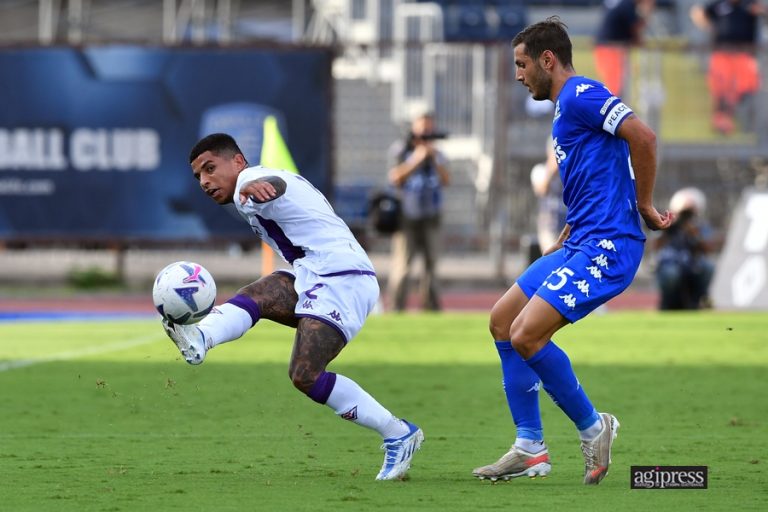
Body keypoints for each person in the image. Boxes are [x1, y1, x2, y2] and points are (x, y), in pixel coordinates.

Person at [472, 17, 673, 485]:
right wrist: (567, 232)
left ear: (547, 60)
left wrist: (643, 204)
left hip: (608, 245)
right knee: (502, 320)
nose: (518, 75)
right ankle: (530, 448)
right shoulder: (566, 108)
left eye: (522, 65)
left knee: (526, 335)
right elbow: (595, 176)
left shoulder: (581, 94)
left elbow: (643, 137)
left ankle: (593, 427)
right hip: (579, 238)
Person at [162, 133, 424, 481]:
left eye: (210, 169)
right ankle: (200, 338)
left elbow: (273, 185)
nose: (205, 181)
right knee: (260, 292)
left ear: (238, 162)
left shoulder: (253, 183)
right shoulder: (250, 189)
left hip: (342, 280)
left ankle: (398, 433)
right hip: (314, 275)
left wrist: (254, 186)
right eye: (198, 176)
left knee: (304, 375)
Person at [386, 112, 451, 312]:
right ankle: (396, 307)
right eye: (422, 131)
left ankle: (430, 307)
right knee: (403, 266)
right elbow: (394, 177)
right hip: (407, 215)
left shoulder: (438, 154)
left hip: (431, 214)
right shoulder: (401, 150)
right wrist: (416, 160)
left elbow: (446, 180)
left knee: (431, 265)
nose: (425, 137)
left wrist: (433, 159)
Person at [690, 0, 766, 135]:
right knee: (722, 90)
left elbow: (764, 13)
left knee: (746, 89)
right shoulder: (719, 5)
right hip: (722, 53)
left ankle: (746, 124)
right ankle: (722, 123)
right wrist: (709, 26)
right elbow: (697, 12)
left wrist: (763, 12)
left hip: (744, 54)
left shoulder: (750, 4)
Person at [654, 187, 716, 310]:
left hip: (692, 264)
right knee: (671, 273)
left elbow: (708, 249)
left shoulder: (699, 226)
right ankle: (667, 303)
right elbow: (655, 245)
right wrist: (668, 229)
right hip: (670, 263)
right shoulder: (668, 224)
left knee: (708, 267)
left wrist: (694, 235)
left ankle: (698, 300)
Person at [593, 0, 656, 99]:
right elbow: (636, 29)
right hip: (611, 49)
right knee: (614, 89)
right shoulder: (627, 5)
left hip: (609, 48)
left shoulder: (624, 4)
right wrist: (647, 11)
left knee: (615, 86)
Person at [530, 136, 567, 254]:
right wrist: (552, 167)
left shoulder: (567, 172)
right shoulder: (540, 169)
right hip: (549, 227)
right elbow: (542, 189)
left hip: (568, 226)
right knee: (552, 261)